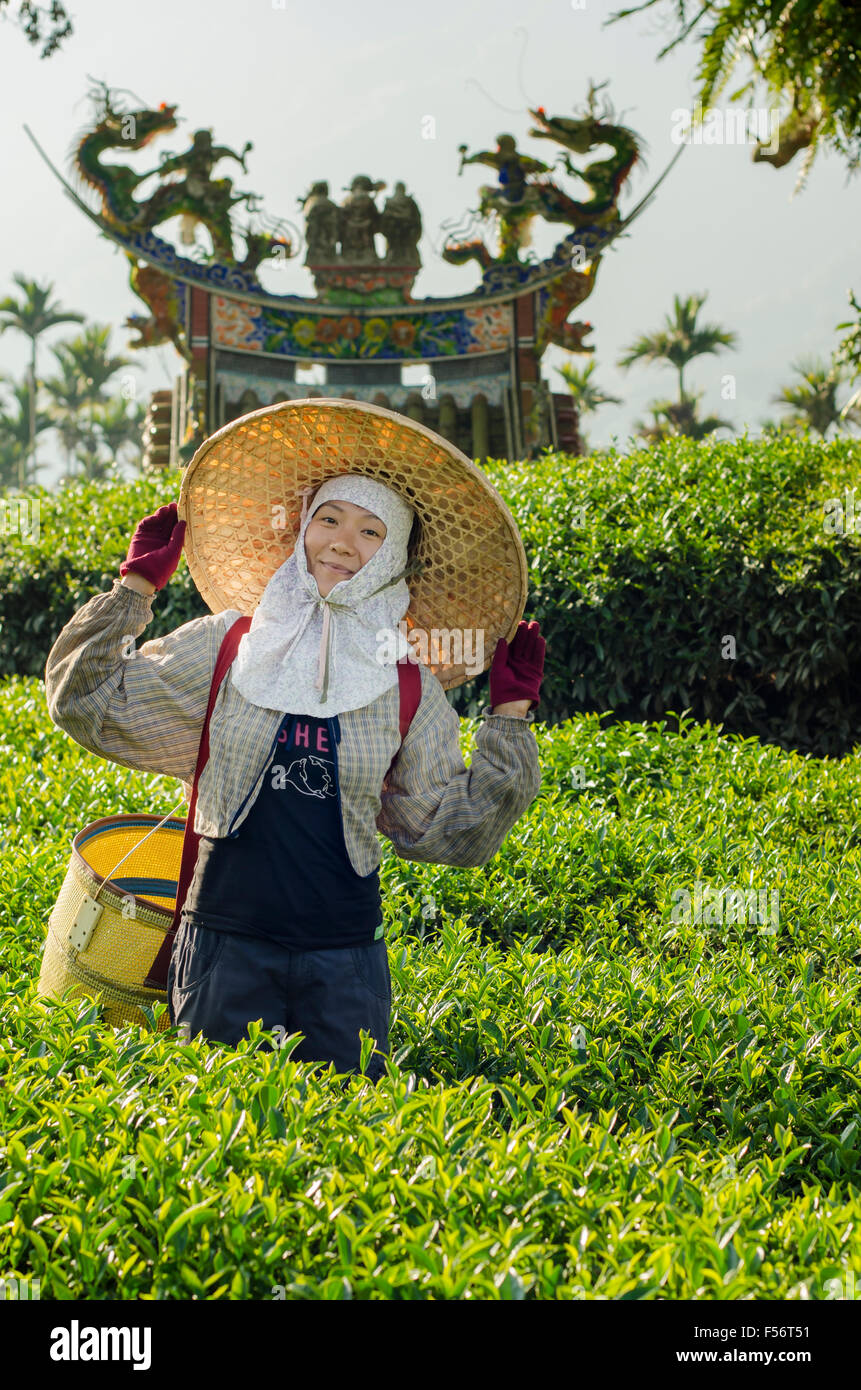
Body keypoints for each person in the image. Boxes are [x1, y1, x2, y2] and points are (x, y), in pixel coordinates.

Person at [44, 406, 545, 1084]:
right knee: (221, 1137)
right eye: (330, 518)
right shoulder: (227, 647)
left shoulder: (406, 688)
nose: (344, 541)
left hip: (344, 964)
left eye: (372, 530)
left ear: (393, 554)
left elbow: (448, 836)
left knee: (341, 1143)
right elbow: (87, 704)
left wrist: (509, 717)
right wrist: (135, 589)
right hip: (221, 945)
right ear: (303, 527)